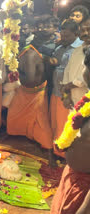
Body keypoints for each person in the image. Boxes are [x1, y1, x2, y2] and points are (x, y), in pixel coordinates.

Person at [7, 18, 55, 165]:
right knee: (14, 114)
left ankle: (48, 149)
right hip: (25, 90)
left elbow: (30, 77)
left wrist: (14, 72)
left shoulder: (31, 53)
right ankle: (21, 137)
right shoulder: (27, 51)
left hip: (37, 91)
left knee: (40, 120)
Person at [51, 46, 90, 214]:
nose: (83, 72)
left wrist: (85, 208)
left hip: (84, 194)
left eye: (85, 67)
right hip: (72, 177)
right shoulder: (88, 98)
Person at [50, 20, 82, 157]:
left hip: (70, 95)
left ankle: (65, 154)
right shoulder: (60, 47)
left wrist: (67, 92)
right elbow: (55, 63)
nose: (64, 39)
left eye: (67, 36)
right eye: (62, 35)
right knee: (56, 123)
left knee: (66, 125)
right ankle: (56, 150)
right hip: (56, 91)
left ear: (76, 34)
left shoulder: (80, 49)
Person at [61, 18, 90, 108]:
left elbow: (85, 79)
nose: (86, 33)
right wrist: (66, 95)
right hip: (74, 100)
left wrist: (69, 86)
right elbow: (67, 72)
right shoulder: (77, 50)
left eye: (88, 30)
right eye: (83, 30)